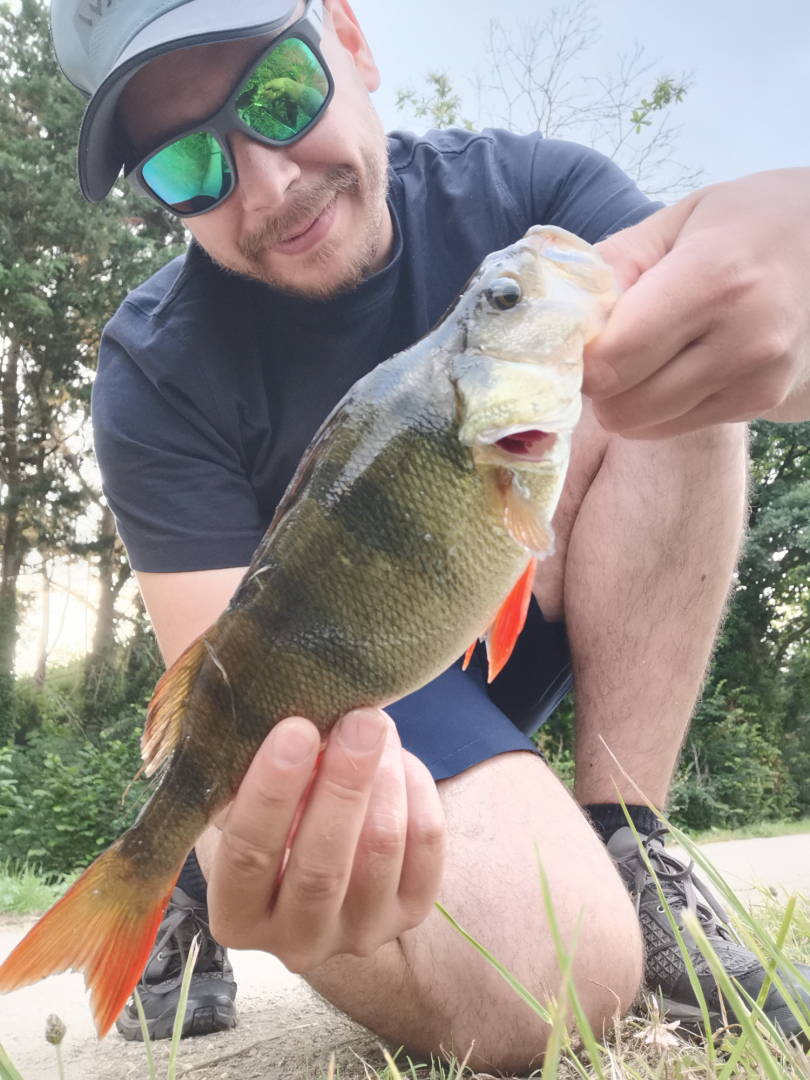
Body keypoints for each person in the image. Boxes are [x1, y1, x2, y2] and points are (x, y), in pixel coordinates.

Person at [50, 0, 810, 1069]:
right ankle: (184, 873)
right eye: (186, 164)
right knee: (561, 982)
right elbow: (225, 694)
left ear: (350, 38)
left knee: (664, 370)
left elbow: (726, 320)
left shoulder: (531, 201)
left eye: (279, 95)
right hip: (330, 707)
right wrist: (249, 832)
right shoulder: (149, 366)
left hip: (466, 603)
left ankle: (632, 844)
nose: (265, 183)